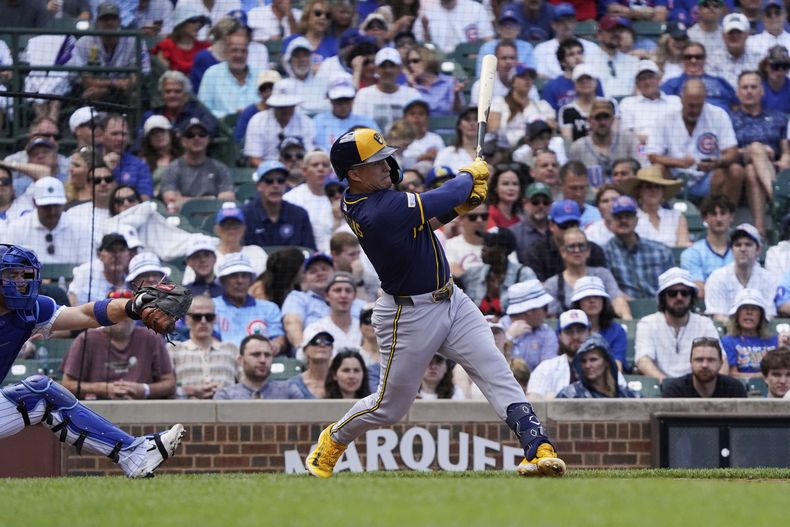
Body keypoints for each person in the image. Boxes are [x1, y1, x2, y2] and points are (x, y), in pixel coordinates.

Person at [305, 127, 566, 479]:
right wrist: (467, 177)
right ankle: (334, 438)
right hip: (408, 315)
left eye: (387, 158)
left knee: (494, 368)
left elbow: (427, 220)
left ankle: (538, 448)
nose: (387, 165)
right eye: (377, 161)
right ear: (354, 174)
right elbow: (441, 197)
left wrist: (461, 205)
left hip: (451, 300)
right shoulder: (374, 209)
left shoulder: (384, 201)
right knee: (389, 407)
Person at [0, 244, 183, 478]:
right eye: (11, 276)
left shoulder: (30, 310)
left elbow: (85, 314)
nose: (20, 282)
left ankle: (134, 453)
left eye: (22, 275)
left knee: (42, 392)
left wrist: (132, 306)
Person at [61, 293, 176, 400]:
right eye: (117, 310)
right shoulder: (86, 338)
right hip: (96, 410)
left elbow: (170, 384)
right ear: (105, 314)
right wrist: (103, 389)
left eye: (127, 310)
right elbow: (67, 385)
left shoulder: (151, 337)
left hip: (142, 409)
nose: (122, 316)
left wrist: (144, 389)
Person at [647, 79, 739, 203]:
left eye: (699, 105)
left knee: (736, 170)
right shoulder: (665, 118)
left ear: (705, 99)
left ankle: (724, 216)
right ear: (681, 98)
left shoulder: (718, 115)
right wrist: (679, 162)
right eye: (690, 105)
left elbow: (732, 151)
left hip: (707, 178)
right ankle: (660, 216)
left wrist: (718, 161)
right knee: (656, 169)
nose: (694, 110)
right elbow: (653, 155)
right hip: (674, 178)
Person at [730, 70, 790, 235]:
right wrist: (757, 151)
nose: (749, 91)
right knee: (756, 149)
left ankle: (760, 230)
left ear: (762, 91)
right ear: (738, 92)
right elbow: (728, 151)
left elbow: (785, 151)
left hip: (771, 168)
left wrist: (783, 161)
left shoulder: (778, 118)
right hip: (739, 165)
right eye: (745, 87)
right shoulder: (729, 119)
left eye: (753, 87)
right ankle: (778, 199)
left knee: (752, 171)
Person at [635, 267, 721, 381]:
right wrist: (667, 384)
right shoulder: (647, 324)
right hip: (662, 389)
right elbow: (643, 360)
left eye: (684, 293)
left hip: (698, 387)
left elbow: (721, 359)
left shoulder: (705, 324)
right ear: (663, 297)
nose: (679, 297)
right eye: (672, 293)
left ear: (691, 296)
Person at [70, 1, 151, 104]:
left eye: (113, 18)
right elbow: (86, 81)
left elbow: (140, 75)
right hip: (94, 94)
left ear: (119, 21)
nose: (109, 23)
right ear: (97, 22)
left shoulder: (134, 41)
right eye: (104, 19)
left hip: (124, 93)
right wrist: (115, 84)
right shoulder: (84, 42)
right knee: (88, 94)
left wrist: (106, 89)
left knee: (134, 96)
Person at [545, 228, 631, 319]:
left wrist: (627, 318)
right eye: (571, 247)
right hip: (571, 330)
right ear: (563, 252)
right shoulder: (552, 284)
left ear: (588, 251)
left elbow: (617, 300)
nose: (577, 250)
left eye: (581, 246)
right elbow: (552, 318)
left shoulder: (602, 275)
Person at [5, 177, 92, 265]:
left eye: (56, 205)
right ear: (34, 202)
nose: (52, 211)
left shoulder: (80, 228)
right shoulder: (17, 228)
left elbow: (87, 267)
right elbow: (8, 266)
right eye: (46, 206)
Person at [604, 195, 675, 299]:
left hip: (660, 307)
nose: (623, 220)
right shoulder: (604, 252)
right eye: (618, 217)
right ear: (611, 222)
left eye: (628, 216)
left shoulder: (661, 251)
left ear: (636, 220)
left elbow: (673, 286)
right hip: (624, 309)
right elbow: (609, 289)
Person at [159, 118, 235, 213]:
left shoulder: (220, 168)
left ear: (208, 139)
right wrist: (211, 199)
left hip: (212, 219)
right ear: (183, 141)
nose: (197, 138)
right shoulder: (171, 169)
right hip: (183, 221)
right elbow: (171, 201)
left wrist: (184, 200)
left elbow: (227, 199)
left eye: (202, 134)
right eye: (190, 135)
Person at [169, 294, 237, 399]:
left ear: (215, 319)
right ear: (187, 320)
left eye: (209, 317)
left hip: (227, 411)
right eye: (197, 317)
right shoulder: (173, 349)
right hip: (187, 411)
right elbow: (165, 388)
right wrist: (191, 390)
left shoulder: (231, 348)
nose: (203, 321)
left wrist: (224, 391)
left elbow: (245, 386)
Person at [523, 199, 608, 282]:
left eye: (574, 225)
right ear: (551, 225)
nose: (569, 229)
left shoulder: (594, 250)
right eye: (564, 225)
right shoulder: (536, 252)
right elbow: (536, 287)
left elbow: (604, 282)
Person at [213, 252, 285, 350]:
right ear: (223, 280)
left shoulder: (269, 308)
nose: (240, 281)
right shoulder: (211, 307)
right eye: (234, 276)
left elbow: (278, 338)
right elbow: (209, 339)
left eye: (244, 276)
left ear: (251, 280)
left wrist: (275, 346)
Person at [705, 223, 777, 321]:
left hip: (759, 334)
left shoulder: (768, 279)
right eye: (738, 245)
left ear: (758, 249)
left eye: (748, 244)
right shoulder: (717, 277)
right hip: (727, 334)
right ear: (731, 249)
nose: (743, 249)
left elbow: (769, 316)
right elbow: (718, 316)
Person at [459, 228, 537, 317]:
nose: (483, 249)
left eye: (489, 245)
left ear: (504, 250)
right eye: (484, 244)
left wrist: (503, 322)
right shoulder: (473, 274)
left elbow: (532, 312)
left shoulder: (524, 275)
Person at [242, 161, 316, 250]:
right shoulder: (245, 215)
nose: (276, 185)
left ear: (285, 184)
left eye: (281, 181)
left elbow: (309, 250)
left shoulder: (299, 214)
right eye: (269, 181)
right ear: (258, 186)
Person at [243, 80, 316, 166]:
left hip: (299, 170)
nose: (285, 110)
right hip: (268, 172)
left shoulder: (306, 122)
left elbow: (310, 157)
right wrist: (276, 171)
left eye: (289, 106)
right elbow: (254, 159)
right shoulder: (257, 121)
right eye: (280, 106)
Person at [352, 47, 422, 133]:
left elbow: (418, 128)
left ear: (399, 69)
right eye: (383, 66)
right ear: (376, 69)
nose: (388, 70)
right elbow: (358, 129)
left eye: (392, 66)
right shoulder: (363, 95)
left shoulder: (412, 95)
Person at [139, 70, 219, 144]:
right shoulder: (151, 115)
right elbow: (139, 142)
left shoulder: (199, 113)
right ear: (161, 95)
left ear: (186, 95)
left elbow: (211, 129)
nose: (172, 95)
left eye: (177, 91)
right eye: (168, 91)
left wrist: (184, 135)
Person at [212, 334, 302, 400]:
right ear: (240, 360)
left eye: (267, 355)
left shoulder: (288, 391)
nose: (263, 360)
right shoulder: (226, 396)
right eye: (256, 355)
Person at [526, 309, 591, 399]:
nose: (575, 336)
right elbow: (533, 400)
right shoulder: (546, 367)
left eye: (580, 331)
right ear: (559, 335)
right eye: (569, 332)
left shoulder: (605, 365)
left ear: (589, 333)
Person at [619, 166, 689, 248]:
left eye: (657, 186)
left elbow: (683, 246)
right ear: (639, 191)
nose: (653, 190)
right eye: (648, 186)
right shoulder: (631, 217)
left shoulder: (676, 216)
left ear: (663, 191)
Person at [197, 31, 260, 119]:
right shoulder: (212, 74)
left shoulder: (260, 75)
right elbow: (203, 110)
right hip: (222, 129)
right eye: (234, 50)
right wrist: (230, 116)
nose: (239, 55)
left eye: (243, 51)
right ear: (225, 52)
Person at [679, 195, 735, 295]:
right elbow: (699, 290)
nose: (719, 219)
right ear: (705, 218)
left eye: (723, 213)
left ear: (731, 216)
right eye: (713, 214)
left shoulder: (741, 250)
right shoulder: (692, 253)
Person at [533, 3, 604, 79]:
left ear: (575, 23)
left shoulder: (591, 47)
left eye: (570, 20)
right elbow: (540, 78)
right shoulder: (542, 49)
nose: (566, 25)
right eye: (562, 21)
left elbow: (598, 75)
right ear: (554, 25)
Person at [619, 60, 682, 147]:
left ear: (659, 79)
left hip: (672, 148)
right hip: (641, 149)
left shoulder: (675, 101)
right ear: (637, 84)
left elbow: (681, 132)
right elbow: (627, 136)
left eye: (650, 77)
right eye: (642, 79)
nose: (647, 82)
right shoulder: (628, 103)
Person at [501, 280, 558, 371]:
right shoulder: (498, 327)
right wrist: (508, 338)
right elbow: (489, 363)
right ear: (529, 311)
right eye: (544, 308)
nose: (547, 313)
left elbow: (549, 371)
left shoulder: (546, 333)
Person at [282, 150, 333, 253]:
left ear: (331, 171)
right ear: (304, 171)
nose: (321, 168)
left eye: (325, 165)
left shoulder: (340, 196)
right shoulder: (291, 198)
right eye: (315, 165)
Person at [556, 335, 638, 398]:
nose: (587, 365)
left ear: (607, 361)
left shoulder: (625, 395)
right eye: (583, 361)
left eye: (593, 359)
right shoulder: (571, 394)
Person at [662, 338, 748, 397]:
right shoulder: (675, 390)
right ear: (691, 362)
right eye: (699, 360)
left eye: (711, 360)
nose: (704, 365)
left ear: (721, 363)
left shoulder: (734, 389)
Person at [301, 272, 361, 357]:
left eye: (348, 291)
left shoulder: (365, 329)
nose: (343, 295)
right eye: (337, 290)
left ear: (355, 296)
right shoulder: (314, 329)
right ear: (327, 296)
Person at [721, 288, 778, 377]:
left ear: (761, 315)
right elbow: (731, 374)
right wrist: (762, 376)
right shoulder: (728, 341)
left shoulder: (775, 341)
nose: (749, 312)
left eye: (754, 309)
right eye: (744, 308)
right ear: (737, 314)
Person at [313, 78, 379, 152]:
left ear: (353, 99)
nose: (343, 105)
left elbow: (378, 146)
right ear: (330, 99)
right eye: (338, 100)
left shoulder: (366, 121)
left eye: (347, 99)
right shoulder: (318, 121)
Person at [542, 38, 605, 112]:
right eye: (571, 54)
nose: (577, 57)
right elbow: (548, 115)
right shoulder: (552, 86)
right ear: (562, 62)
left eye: (579, 53)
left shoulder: (593, 80)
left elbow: (602, 106)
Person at [101, 114, 154, 201]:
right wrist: (106, 169)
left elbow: (144, 200)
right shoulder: (91, 161)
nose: (120, 138)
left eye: (124, 134)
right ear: (102, 135)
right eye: (114, 134)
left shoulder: (139, 165)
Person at [411, 0, 494, 54]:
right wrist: (426, 30)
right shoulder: (427, 14)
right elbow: (421, 48)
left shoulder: (475, 8)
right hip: (438, 63)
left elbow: (488, 40)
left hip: (470, 59)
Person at [404, 44, 464, 117]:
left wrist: (456, 95)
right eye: (409, 62)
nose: (411, 65)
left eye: (415, 61)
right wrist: (412, 87)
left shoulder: (449, 82)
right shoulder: (407, 87)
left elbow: (458, 112)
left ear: (427, 60)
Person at [588, 15, 640, 97]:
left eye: (619, 30)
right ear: (599, 35)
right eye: (611, 30)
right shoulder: (588, 61)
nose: (616, 34)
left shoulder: (633, 61)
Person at [150, 4, 210, 75]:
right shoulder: (166, 45)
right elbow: (163, 75)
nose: (198, 24)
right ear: (181, 23)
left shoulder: (204, 47)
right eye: (193, 20)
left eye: (200, 21)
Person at [708, 13, 761, 88]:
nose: (734, 35)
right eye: (731, 32)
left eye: (738, 32)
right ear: (723, 36)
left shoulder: (758, 59)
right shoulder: (712, 61)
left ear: (747, 35)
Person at [234, 70, 282, 145]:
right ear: (259, 92)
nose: (268, 91)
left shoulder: (288, 110)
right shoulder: (249, 112)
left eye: (271, 87)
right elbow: (239, 140)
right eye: (263, 88)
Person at [509, 182, 552, 263]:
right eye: (535, 202)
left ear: (551, 205)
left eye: (545, 202)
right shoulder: (513, 233)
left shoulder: (558, 229)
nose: (541, 206)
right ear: (525, 203)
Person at [287, 328, 333, 398]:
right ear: (305, 350)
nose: (322, 345)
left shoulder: (341, 381)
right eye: (315, 341)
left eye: (327, 341)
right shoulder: (292, 384)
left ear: (332, 349)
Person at [400, 100, 446, 168]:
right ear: (404, 117)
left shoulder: (435, 138)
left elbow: (442, 162)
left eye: (421, 114)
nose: (416, 117)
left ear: (427, 118)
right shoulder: (398, 138)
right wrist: (420, 158)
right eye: (412, 113)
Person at [445, 205, 486, 277]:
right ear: (461, 220)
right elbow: (454, 271)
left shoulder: (496, 243)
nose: (480, 220)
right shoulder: (450, 245)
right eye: (473, 217)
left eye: (484, 216)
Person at [434, 107, 478, 173]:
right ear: (459, 125)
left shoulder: (490, 154)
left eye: (476, 119)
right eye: (467, 119)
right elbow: (436, 180)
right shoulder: (446, 153)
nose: (472, 123)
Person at [558, 160, 602, 227]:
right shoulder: (552, 214)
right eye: (573, 188)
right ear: (561, 186)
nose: (579, 194)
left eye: (582, 188)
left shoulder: (598, 216)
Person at [138, 115, 180, 181]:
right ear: (148, 139)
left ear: (170, 133)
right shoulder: (142, 162)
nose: (158, 135)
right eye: (153, 133)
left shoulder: (183, 157)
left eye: (162, 131)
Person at [486, 164, 524, 230]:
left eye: (515, 184)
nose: (511, 188)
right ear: (495, 188)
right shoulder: (489, 214)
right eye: (505, 184)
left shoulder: (518, 219)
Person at [759, 45, 790, 114]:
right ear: (766, 66)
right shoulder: (756, 87)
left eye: (785, 66)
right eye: (775, 66)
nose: (780, 71)